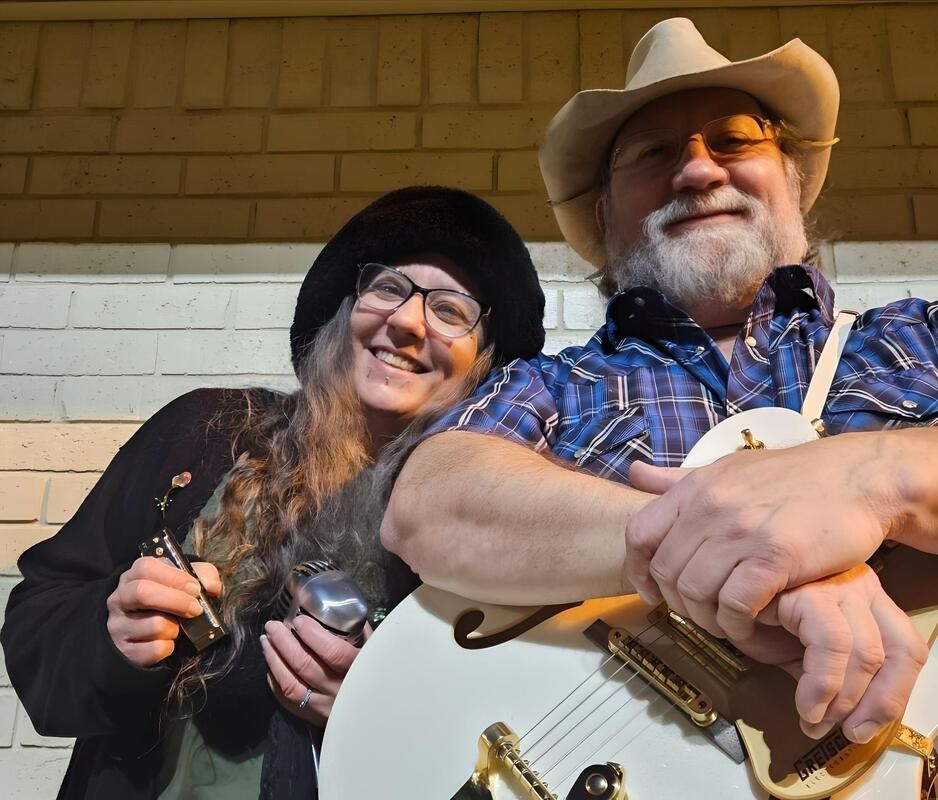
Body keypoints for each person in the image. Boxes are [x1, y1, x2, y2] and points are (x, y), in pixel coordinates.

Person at [383, 18, 938, 751]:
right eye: (654, 152)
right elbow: (428, 505)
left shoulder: (920, 332)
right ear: (607, 214)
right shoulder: (556, 383)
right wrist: (705, 547)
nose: (700, 170)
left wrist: (874, 476)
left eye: (736, 140)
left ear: (793, 180)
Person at [0, 186, 546, 799]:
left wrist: (380, 715)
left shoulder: (491, 523)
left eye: (450, 311)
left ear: (486, 363)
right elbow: (37, 626)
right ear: (345, 307)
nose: (408, 321)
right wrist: (113, 636)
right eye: (389, 288)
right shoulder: (204, 434)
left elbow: (504, 749)